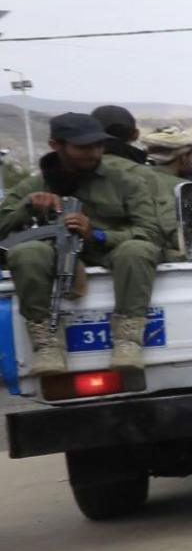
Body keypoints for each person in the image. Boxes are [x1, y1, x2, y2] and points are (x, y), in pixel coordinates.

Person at [1, 112, 175, 373]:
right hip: (55, 254)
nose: (93, 153)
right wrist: (28, 207)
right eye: (83, 147)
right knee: (28, 253)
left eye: (98, 146)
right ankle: (46, 342)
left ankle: (128, 340)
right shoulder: (38, 183)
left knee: (137, 249)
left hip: (110, 250)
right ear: (56, 145)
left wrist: (97, 234)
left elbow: (150, 232)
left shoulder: (125, 181)